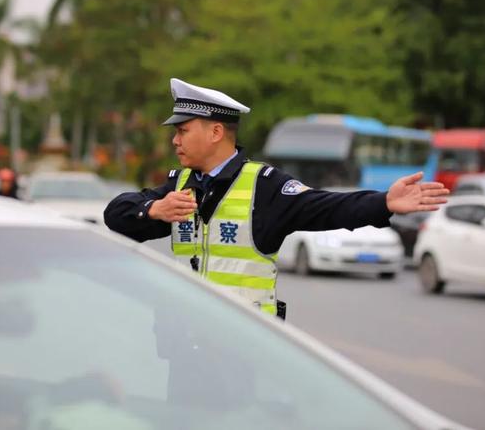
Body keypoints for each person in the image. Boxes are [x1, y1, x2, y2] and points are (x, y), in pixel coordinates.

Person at [104, 78, 449, 319]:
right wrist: (154, 210)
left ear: (215, 132)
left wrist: (384, 202)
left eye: (182, 131)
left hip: (245, 346)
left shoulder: (264, 186)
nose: (174, 141)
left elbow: (326, 207)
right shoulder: (179, 185)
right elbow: (116, 216)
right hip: (184, 338)